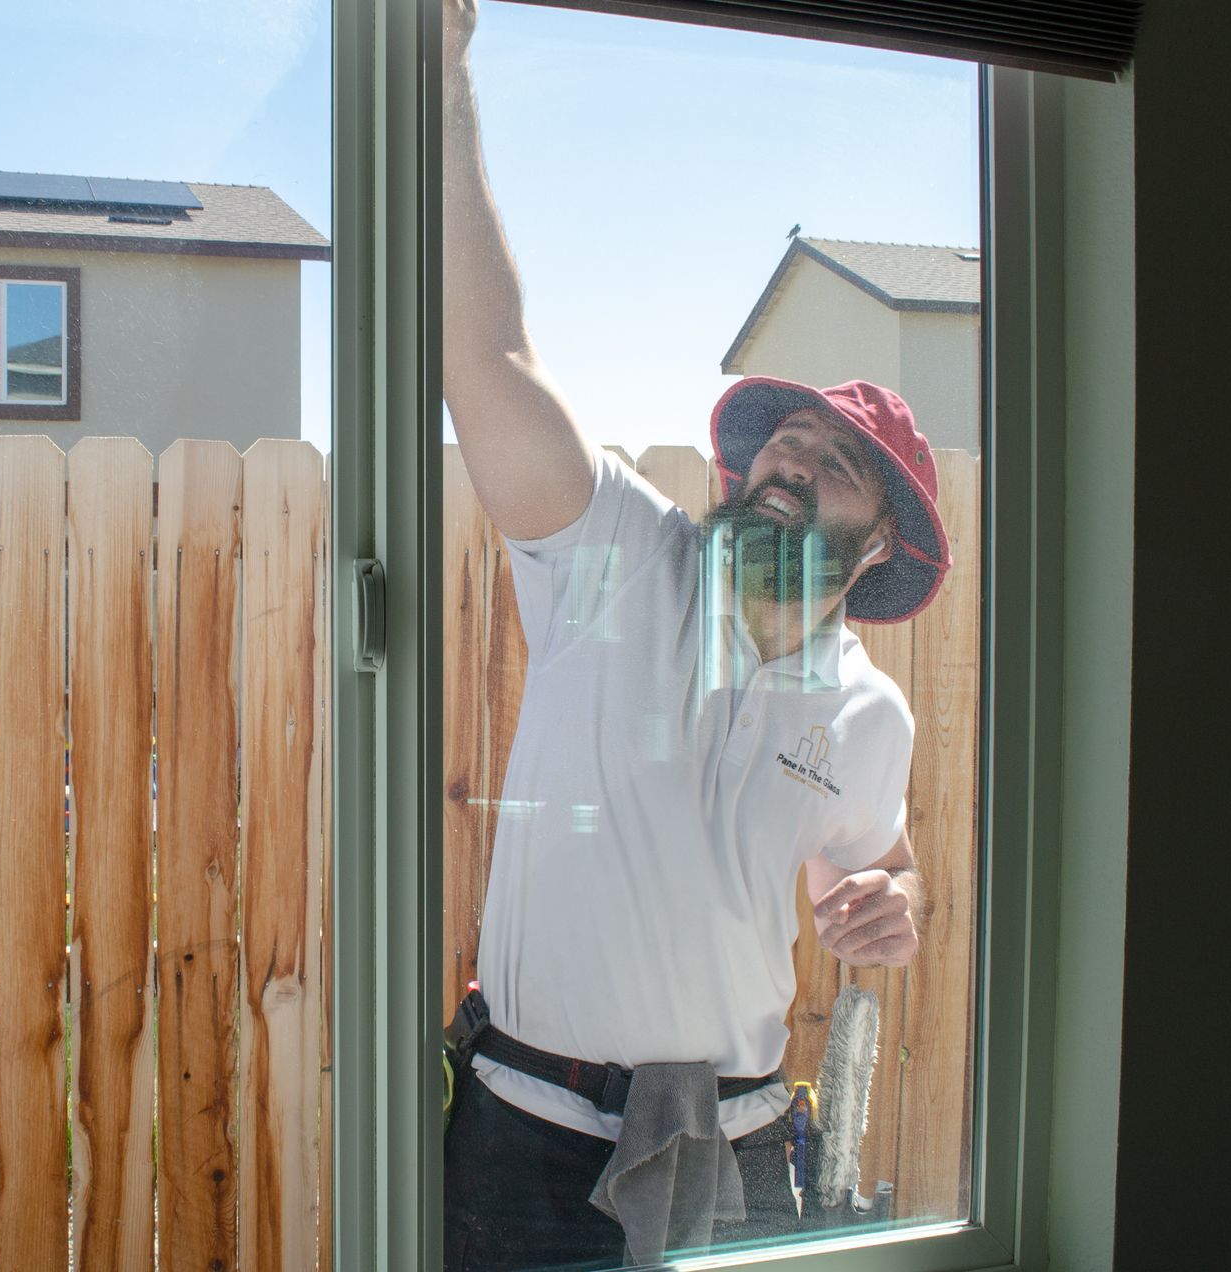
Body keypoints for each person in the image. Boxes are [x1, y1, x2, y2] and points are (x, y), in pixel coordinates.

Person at [439, 2, 952, 1268]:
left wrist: (896, 901)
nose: (792, 455)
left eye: (835, 463)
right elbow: (490, 353)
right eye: (787, 433)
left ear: (878, 547)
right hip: (524, 1142)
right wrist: (440, 78)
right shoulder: (613, 552)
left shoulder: (869, 712)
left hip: (743, 1155)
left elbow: (873, 865)